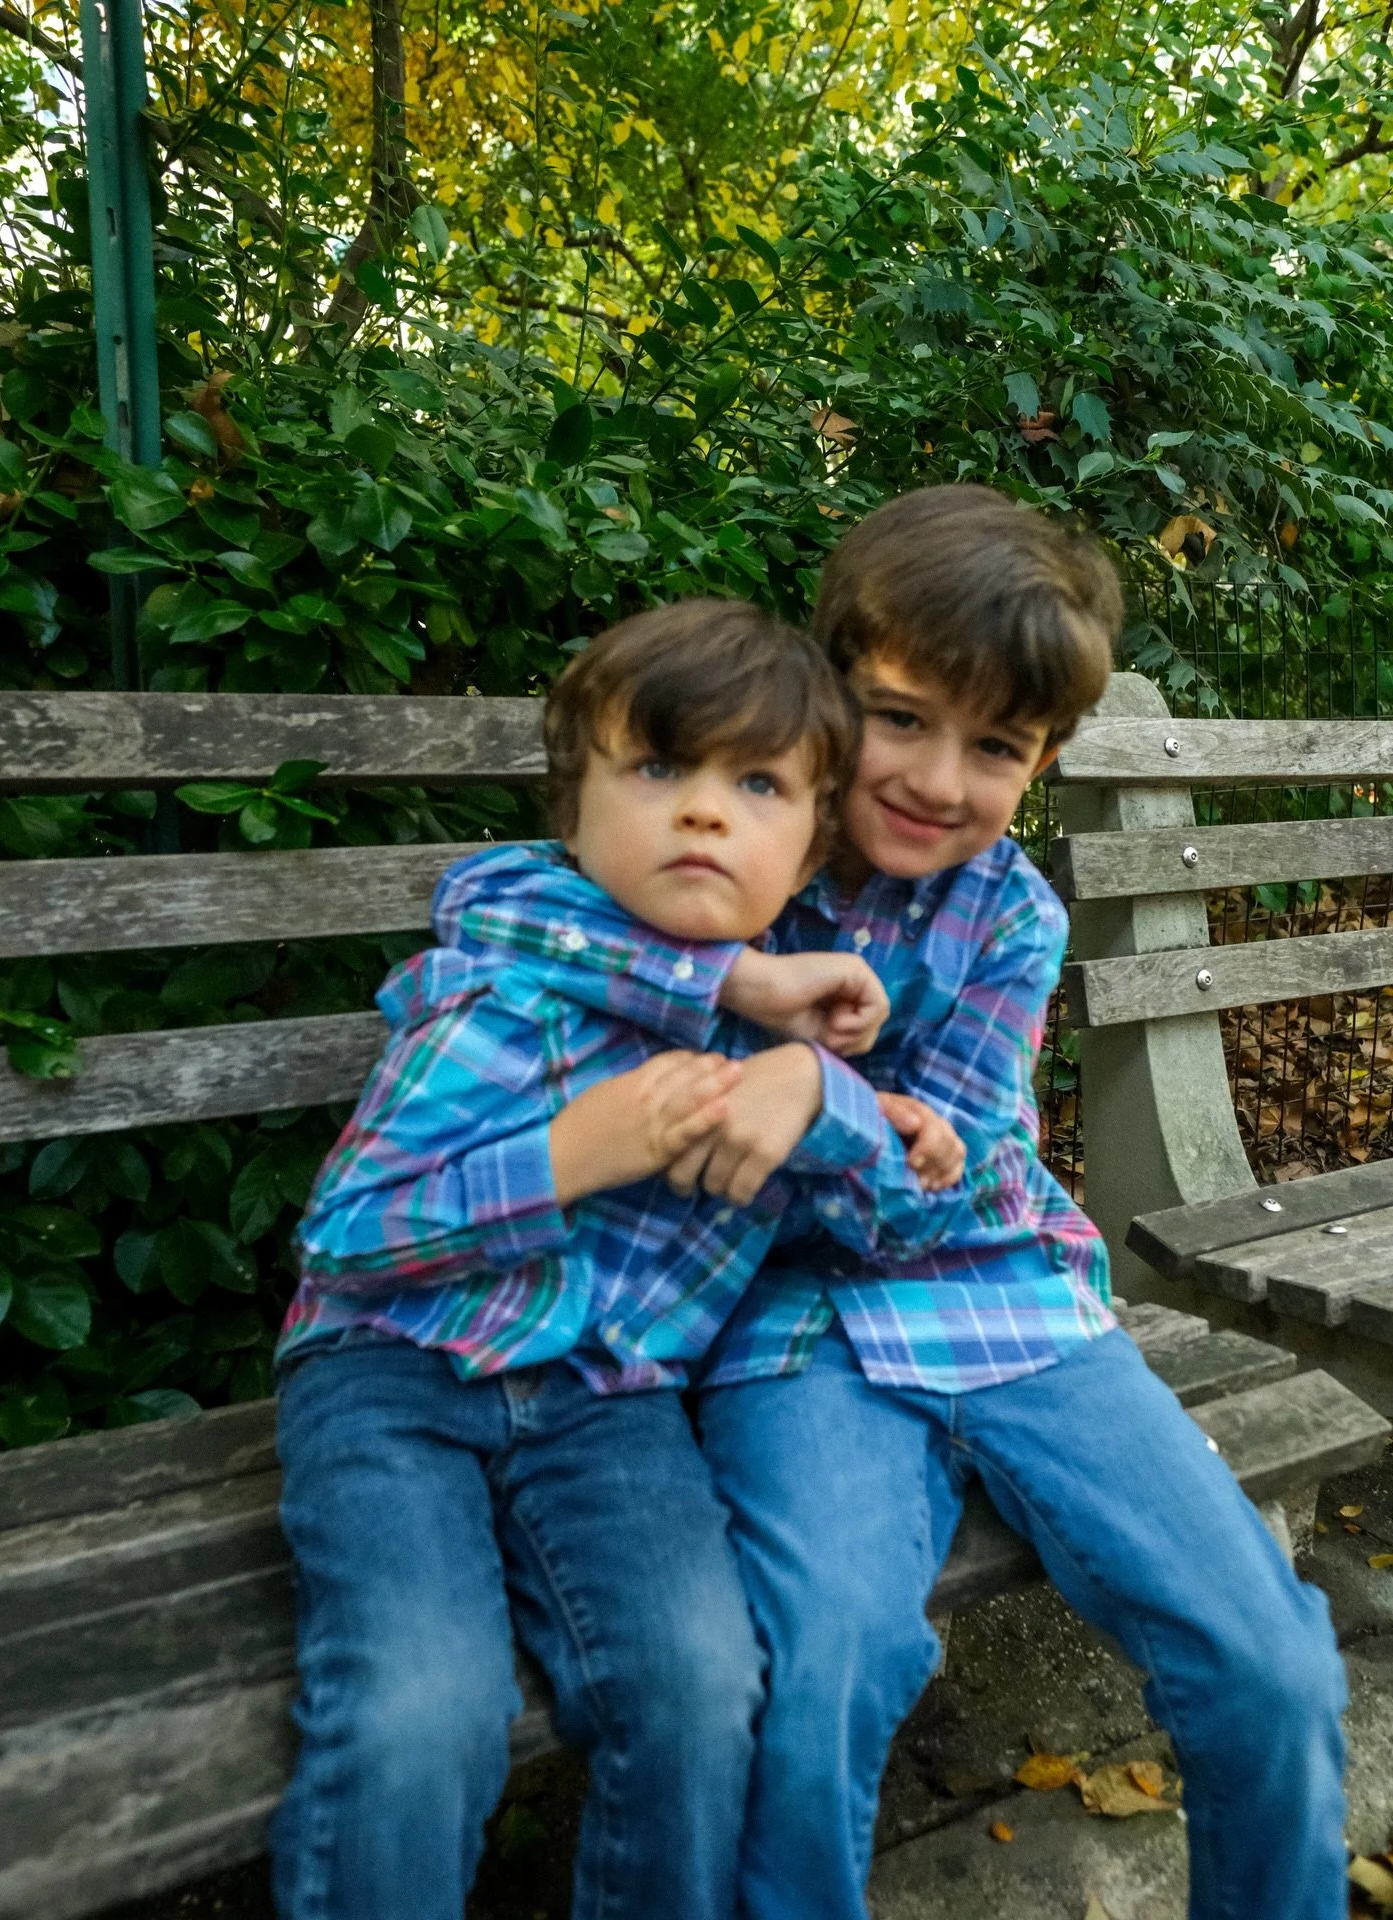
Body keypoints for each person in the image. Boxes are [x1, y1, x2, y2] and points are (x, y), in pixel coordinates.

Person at [434, 486, 1350, 1920]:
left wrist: (814, 1097)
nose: (937, 779)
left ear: (1044, 759)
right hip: (788, 1332)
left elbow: (961, 1179)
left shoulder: (1011, 917)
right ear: (828, 690)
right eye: (902, 719)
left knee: (1271, 1665)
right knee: (819, 1672)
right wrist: (733, 981)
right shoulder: (726, 849)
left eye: (997, 747)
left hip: (1016, 1310)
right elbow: (486, 907)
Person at [271, 597, 938, 1920]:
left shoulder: (779, 1054)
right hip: (394, 1376)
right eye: (659, 768)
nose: (704, 812)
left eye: (757, 785)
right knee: (422, 1708)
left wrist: (852, 1114)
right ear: (571, 814)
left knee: (699, 1682)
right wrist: (567, 1156)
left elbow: (890, 1226)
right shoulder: (505, 988)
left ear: (812, 847)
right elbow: (344, 1237)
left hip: (608, 1403)